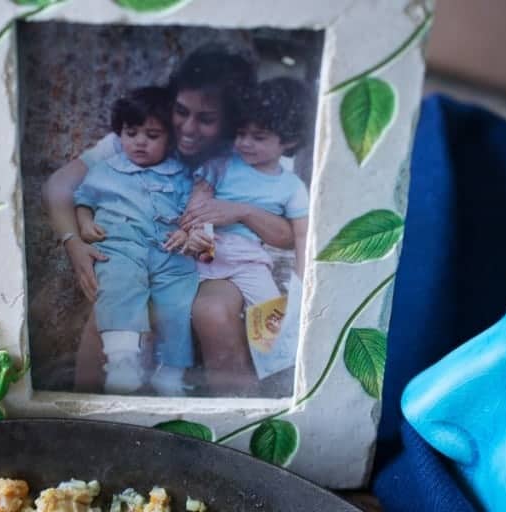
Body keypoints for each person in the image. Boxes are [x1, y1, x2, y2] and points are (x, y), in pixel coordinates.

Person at [42, 44, 295, 395]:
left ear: (230, 123)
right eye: (181, 111)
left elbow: (288, 227)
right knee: (107, 312)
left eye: (206, 119)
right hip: (141, 252)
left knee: (213, 312)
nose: (188, 128)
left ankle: (237, 419)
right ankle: (90, 419)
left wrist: (241, 211)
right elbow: (60, 186)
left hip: (213, 261)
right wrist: (74, 244)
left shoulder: (243, 152)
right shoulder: (143, 133)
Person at [73, 86, 197, 396]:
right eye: (131, 133)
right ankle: (122, 361)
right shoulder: (106, 170)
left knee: (177, 302)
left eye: (152, 135)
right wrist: (85, 222)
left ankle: (169, 373)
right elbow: (83, 199)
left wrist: (186, 232)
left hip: (169, 252)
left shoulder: (181, 175)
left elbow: (194, 213)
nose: (140, 141)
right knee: (118, 285)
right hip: (120, 244)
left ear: (169, 138)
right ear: (120, 134)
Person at [188, 77, 310, 310]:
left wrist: (301, 284)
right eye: (241, 133)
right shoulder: (220, 166)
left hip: (250, 265)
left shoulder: (292, 186)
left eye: (258, 137)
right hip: (204, 256)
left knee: (270, 323)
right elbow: (196, 208)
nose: (244, 143)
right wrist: (194, 232)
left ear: (289, 140)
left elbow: (302, 236)